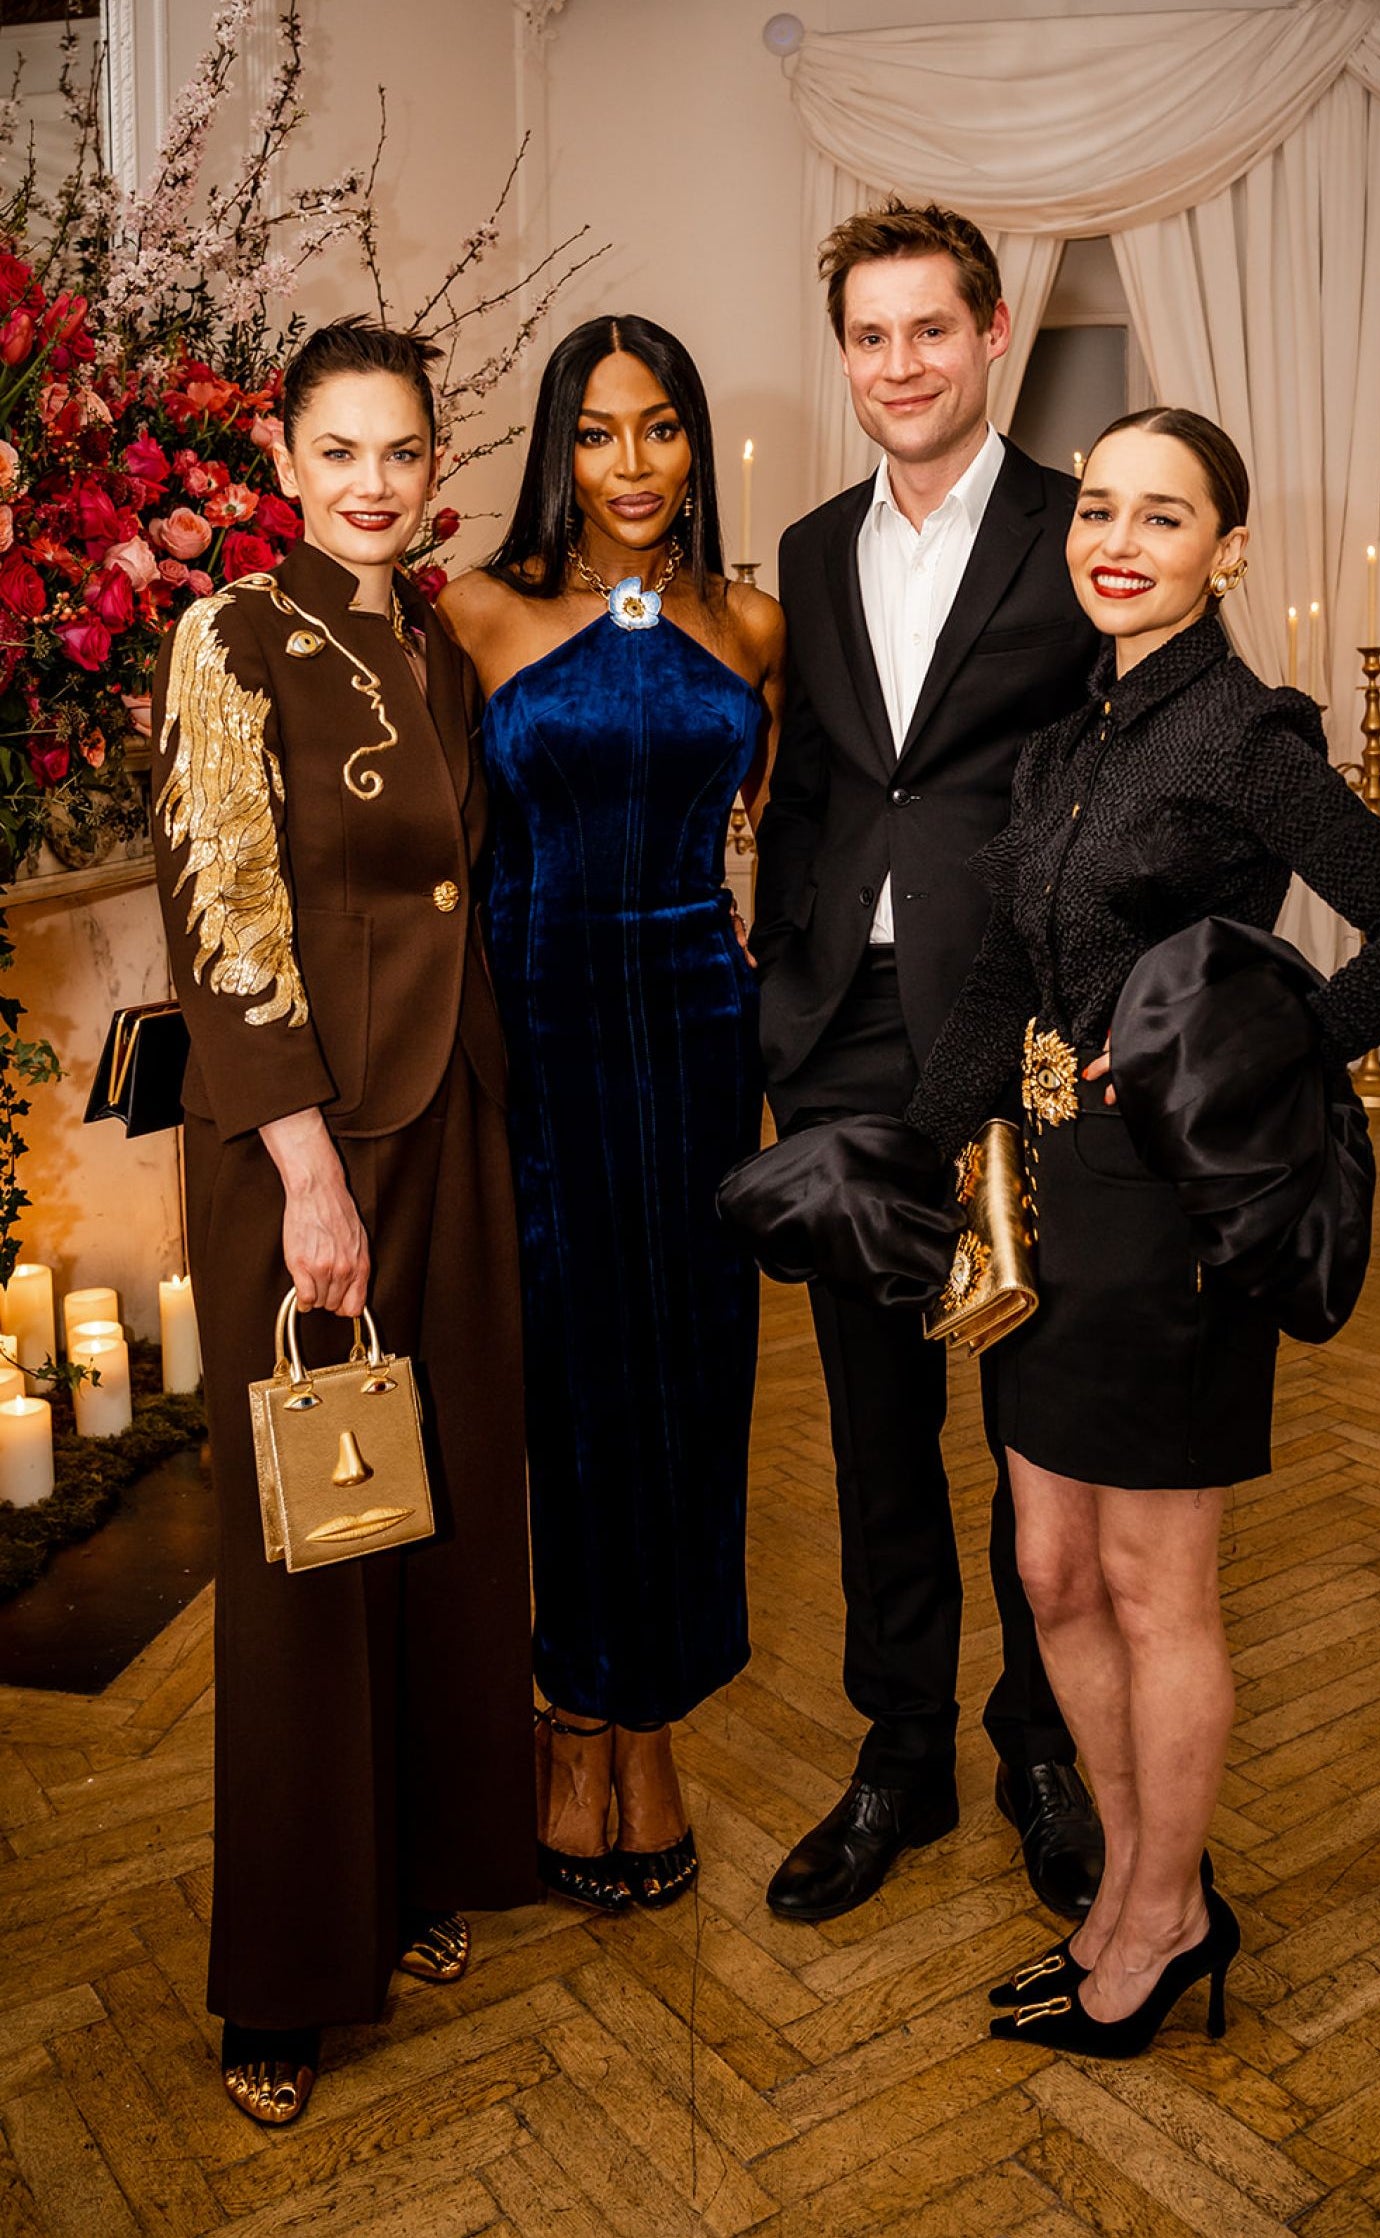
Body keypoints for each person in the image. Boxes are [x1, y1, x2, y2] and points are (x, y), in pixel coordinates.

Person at [907, 407, 1380, 2056]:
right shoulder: (1066, 738)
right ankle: (1131, 1885)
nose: (1121, 539)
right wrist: (911, 1149)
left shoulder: (1241, 734)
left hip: (1174, 1221)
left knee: (1160, 1592)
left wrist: (1251, 1041)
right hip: (1045, 1209)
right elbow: (1013, 972)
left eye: (1165, 517)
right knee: (1048, 1564)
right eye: (1100, 507)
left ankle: (1163, 1915)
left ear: (1226, 549)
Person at [149, 318, 535, 2124]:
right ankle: (284, 1981)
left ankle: (416, 1876)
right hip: (305, 1146)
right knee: (309, 1540)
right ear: (283, 461)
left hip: (447, 1123)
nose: (372, 481)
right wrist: (306, 1168)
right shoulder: (230, 636)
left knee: (438, 1519)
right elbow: (225, 907)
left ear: (429, 465)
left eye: (400, 451)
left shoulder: (430, 645)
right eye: (339, 450)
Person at [750, 198, 1103, 1925]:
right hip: (843, 1049)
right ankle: (902, 1754)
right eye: (870, 337)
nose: (899, 365)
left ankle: (1040, 1738)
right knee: (875, 1428)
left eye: (929, 331)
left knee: (1030, 1416)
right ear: (850, 357)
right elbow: (817, 787)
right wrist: (777, 1001)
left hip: (1024, 1045)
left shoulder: (1076, 529)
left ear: (988, 340)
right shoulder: (811, 549)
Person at [440, 315, 782, 1913]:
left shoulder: (751, 624)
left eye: (659, 430)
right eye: (597, 431)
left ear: (696, 443)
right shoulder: (478, 614)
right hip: (544, 1045)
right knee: (570, 1391)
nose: (632, 465)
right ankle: (569, 1718)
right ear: (555, 448)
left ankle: (653, 1723)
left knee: (690, 1386)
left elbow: (774, 835)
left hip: (703, 1044)